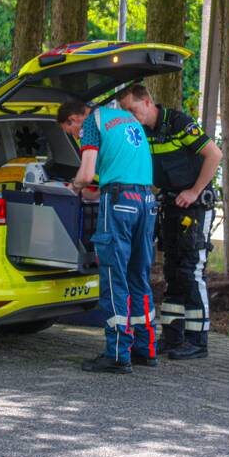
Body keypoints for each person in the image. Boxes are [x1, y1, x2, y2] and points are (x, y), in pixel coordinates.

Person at [118, 84, 223, 360]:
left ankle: (197, 340)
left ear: (147, 101)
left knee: (191, 270)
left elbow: (214, 154)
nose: (130, 116)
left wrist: (194, 191)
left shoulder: (178, 123)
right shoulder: (141, 132)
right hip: (170, 206)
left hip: (195, 207)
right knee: (172, 271)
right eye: (125, 112)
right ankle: (173, 336)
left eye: (132, 109)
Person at [58, 99, 158, 373]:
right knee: (138, 275)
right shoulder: (127, 119)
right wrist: (96, 192)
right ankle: (146, 348)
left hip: (119, 205)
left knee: (114, 278)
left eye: (70, 131)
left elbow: (87, 173)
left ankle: (116, 354)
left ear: (74, 119)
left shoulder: (92, 122)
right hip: (145, 201)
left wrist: (74, 187)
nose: (75, 136)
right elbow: (121, 173)